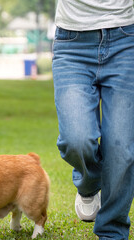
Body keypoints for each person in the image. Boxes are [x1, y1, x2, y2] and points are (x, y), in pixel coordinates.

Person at [52, 1, 134, 239]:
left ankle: (112, 232)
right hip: (72, 44)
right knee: (75, 140)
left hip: (126, 39)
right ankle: (90, 183)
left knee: (121, 150)